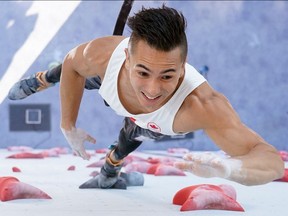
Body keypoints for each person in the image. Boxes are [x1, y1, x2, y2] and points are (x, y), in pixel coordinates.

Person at [8, 5, 284, 187]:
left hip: (154, 121)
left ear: (184, 65)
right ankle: (42, 80)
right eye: (143, 72)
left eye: (167, 75)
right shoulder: (104, 55)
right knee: (72, 73)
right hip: (109, 81)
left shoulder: (202, 106)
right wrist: (68, 125)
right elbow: (71, 63)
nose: (152, 90)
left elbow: (271, 163)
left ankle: (110, 172)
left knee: (130, 138)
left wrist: (228, 168)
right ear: (127, 57)